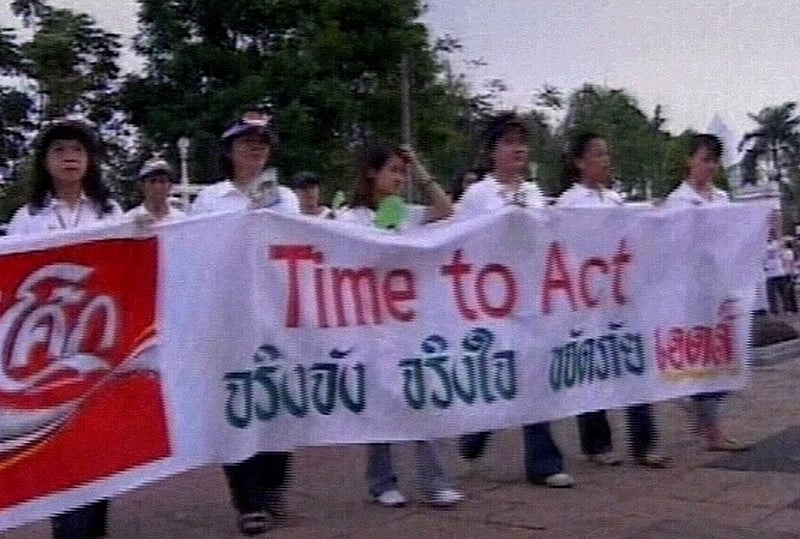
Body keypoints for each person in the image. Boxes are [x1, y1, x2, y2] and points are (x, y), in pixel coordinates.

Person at [7, 117, 123, 538]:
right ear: (44, 162)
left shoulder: (110, 213)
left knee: (98, 452)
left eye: (78, 150)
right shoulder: (28, 218)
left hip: (100, 348)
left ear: (90, 160)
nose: (70, 157)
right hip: (48, 354)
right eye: (59, 150)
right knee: (58, 453)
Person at [337, 140, 463, 508]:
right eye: (392, 170)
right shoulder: (350, 218)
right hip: (372, 322)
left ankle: (435, 480)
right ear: (372, 173)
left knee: (423, 392)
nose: (398, 178)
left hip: (410, 321)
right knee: (382, 400)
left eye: (401, 171)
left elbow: (446, 209)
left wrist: (419, 167)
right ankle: (381, 480)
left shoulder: (405, 212)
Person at [192, 111, 299, 536]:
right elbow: (194, 255)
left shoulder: (285, 197)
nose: (255, 148)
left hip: (277, 316)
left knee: (280, 403)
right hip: (228, 317)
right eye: (246, 141)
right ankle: (248, 501)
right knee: (236, 407)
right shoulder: (210, 199)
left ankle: (273, 482)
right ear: (229, 150)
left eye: (263, 142)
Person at [454, 112, 574, 488]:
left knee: (534, 374)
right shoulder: (478, 195)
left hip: (531, 297)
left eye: (522, 142)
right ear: (492, 152)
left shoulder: (534, 193)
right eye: (508, 142)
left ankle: (543, 460)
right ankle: (478, 431)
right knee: (502, 373)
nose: (518, 149)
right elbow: (458, 241)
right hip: (490, 300)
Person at [555, 132, 669, 468]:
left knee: (636, 365)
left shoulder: (617, 201)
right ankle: (596, 442)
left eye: (607, 154)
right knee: (592, 367)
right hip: (587, 300)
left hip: (621, 298)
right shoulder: (568, 204)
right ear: (580, 163)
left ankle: (644, 442)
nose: (606, 160)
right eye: (598, 154)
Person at [663, 133, 748, 452]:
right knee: (702, 359)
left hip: (721, 287)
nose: (710, 166)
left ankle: (706, 419)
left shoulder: (722, 199)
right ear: (690, 161)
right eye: (704, 159)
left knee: (725, 357)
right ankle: (712, 428)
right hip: (692, 291)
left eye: (714, 160)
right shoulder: (679, 202)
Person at [125, 157, 185, 224]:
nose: (157, 186)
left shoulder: (181, 220)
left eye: (162, 181)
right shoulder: (129, 220)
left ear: (170, 186)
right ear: (142, 186)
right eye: (152, 181)